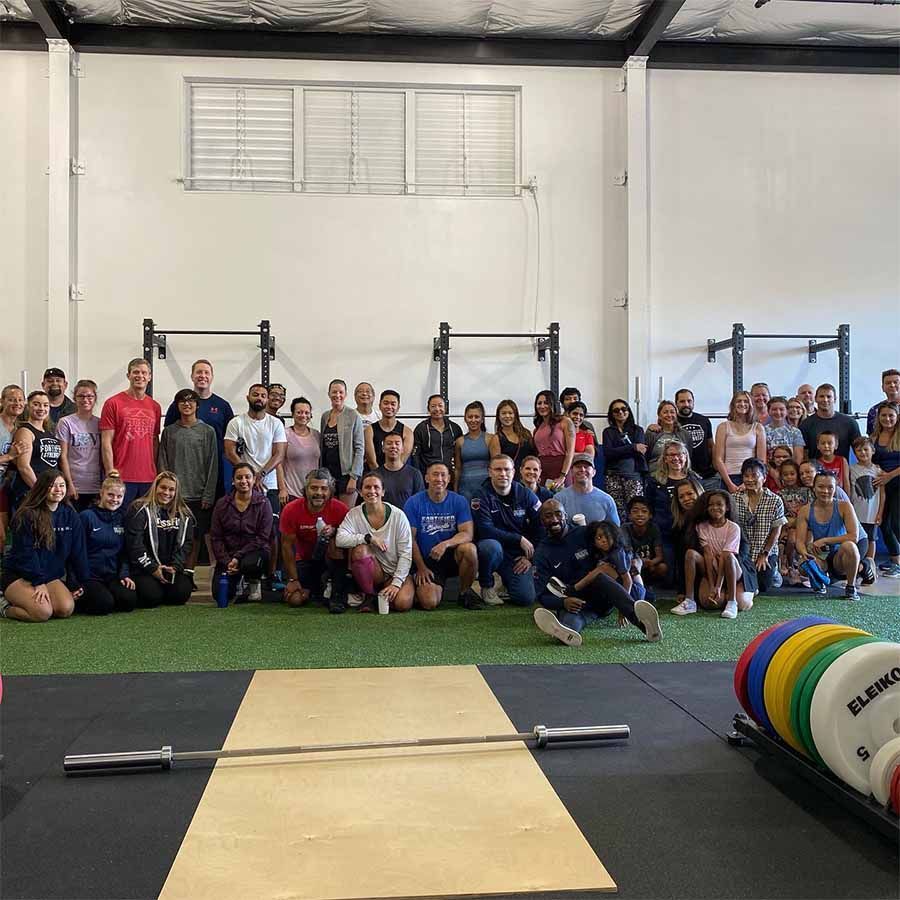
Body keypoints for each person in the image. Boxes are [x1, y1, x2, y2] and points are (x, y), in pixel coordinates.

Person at [531, 500, 661, 647]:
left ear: (565, 516)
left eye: (558, 514)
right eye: (548, 516)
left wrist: (636, 561)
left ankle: (644, 624)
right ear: (542, 521)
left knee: (601, 577)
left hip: (606, 592)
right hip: (576, 600)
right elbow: (541, 595)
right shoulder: (542, 553)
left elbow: (618, 545)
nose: (554, 519)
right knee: (570, 622)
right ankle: (563, 631)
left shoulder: (584, 533)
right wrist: (563, 602)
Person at [0, 470, 87, 622]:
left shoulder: (71, 515)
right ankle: (4, 605)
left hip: (49, 575)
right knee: (42, 612)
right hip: (21, 574)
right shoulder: (26, 515)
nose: (58, 490)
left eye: (62, 485)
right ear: (41, 488)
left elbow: (78, 552)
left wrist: (79, 582)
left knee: (65, 608)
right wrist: (38, 582)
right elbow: (25, 553)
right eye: (52, 486)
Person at [225, 384, 287, 585]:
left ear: (267, 400)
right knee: (241, 529)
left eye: (263, 395)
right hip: (243, 484)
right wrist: (249, 475)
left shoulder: (275, 423)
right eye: (255, 394)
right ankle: (242, 571)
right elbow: (230, 451)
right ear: (248, 397)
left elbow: (279, 454)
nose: (259, 398)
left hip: (268, 484)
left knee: (273, 530)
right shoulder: (237, 423)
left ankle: (272, 573)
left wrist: (261, 474)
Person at [158, 389, 219, 580]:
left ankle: (189, 574)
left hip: (199, 495)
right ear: (177, 406)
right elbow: (163, 462)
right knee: (172, 536)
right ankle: (170, 572)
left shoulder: (207, 431)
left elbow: (213, 465)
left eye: (191, 401)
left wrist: (208, 494)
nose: (187, 405)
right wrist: (166, 493)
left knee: (194, 537)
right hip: (175, 496)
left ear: (197, 406)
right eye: (182, 402)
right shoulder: (169, 432)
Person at [404, 461, 480, 610]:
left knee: (469, 549)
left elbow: (467, 533)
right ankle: (416, 586)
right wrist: (421, 567)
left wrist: (445, 544)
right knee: (429, 602)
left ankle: (464, 593)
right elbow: (409, 539)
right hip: (426, 561)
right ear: (426, 478)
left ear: (449, 478)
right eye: (435, 474)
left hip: (451, 557)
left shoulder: (459, 501)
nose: (439, 479)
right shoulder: (413, 502)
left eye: (443, 475)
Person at [336, 471, 414, 613]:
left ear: (383, 491)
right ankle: (369, 595)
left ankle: (380, 593)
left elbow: (406, 553)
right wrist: (367, 538)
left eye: (376, 487)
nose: (372, 491)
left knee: (403, 604)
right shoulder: (354, 514)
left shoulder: (398, 516)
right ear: (360, 492)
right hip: (375, 571)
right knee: (360, 550)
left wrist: (396, 584)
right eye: (367, 487)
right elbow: (340, 539)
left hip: (394, 571)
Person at [472, 454, 542, 607]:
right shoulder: (480, 496)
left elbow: (541, 527)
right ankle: (487, 585)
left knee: (525, 598)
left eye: (506, 470)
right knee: (490, 546)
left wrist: (529, 558)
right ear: (490, 472)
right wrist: (519, 539)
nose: (503, 474)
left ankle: (506, 582)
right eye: (498, 469)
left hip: (517, 556)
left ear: (514, 472)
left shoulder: (526, 494)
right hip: (494, 550)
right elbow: (485, 530)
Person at [163, 359, 235, 498]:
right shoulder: (178, 405)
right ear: (192, 376)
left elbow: (230, 440)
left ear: (212, 377)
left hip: (215, 468)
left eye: (206, 372)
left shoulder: (223, 406)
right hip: (183, 469)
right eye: (199, 372)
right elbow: (168, 437)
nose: (202, 376)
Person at [281, 469, 349, 612]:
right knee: (295, 600)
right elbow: (286, 547)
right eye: (314, 488)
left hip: (331, 562)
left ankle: (337, 594)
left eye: (324, 488)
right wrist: (293, 579)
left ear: (330, 491)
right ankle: (316, 591)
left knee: (334, 542)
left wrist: (335, 532)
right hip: (305, 561)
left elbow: (350, 541)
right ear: (305, 490)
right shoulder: (291, 510)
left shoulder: (341, 509)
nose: (319, 493)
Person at [125, 471, 194, 607]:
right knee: (151, 597)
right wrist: (153, 568)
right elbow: (135, 545)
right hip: (145, 569)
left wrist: (175, 566)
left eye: (171, 489)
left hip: (170, 568)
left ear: (176, 492)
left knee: (181, 594)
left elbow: (187, 544)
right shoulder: (139, 509)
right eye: (163, 487)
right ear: (155, 487)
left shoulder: (184, 514)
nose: (166, 492)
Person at [99, 358, 162, 508]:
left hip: (148, 477)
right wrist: (109, 471)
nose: (140, 376)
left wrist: (154, 470)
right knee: (121, 522)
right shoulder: (113, 403)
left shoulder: (155, 407)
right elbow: (106, 441)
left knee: (143, 523)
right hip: (121, 475)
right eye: (136, 372)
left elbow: (154, 441)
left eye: (144, 373)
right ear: (128, 375)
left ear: (149, 377)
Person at [210, 462, 274, 605]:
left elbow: (263, 538)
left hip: (254, 553)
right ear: (233, 480)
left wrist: (238, 557)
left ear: (254, 479)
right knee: (219, 594)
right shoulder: (222, 504)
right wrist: (227, 561)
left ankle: (253, 582)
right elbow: (216, 537)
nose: (243, 481)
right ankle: (237, 580)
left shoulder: (264, 503)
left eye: (247, 477)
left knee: (250, 564)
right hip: (229, 557)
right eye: (239, 478)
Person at [676, 490, 746, 618]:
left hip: (730, 569)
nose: (715, 508)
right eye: (711, 505)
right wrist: (712, 584)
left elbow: (725, 556)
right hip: (713, 567)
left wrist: (718, 586)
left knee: (728, 556)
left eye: (719, 504)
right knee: (690, 554)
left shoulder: (733, 527)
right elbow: (707, 554)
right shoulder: (702, 526)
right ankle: (690, 601)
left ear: (727, 507)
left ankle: (732, 602)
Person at [795, 471, 862, 600]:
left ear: (835, 488)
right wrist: (804, 553)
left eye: (830, 487)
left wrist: (825, 540)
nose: (825, 491)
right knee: (803, 563)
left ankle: (851, 587)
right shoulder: (805, 510)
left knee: (850, 546)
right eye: (821, 487)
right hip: (821, 557)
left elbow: (854, 537)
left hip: (841, 558)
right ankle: (819, 582)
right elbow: (799, 541)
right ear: (814, 488)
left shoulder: (844, 506)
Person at [77, 476, 137, 615]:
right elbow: (77, 551)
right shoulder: (86, 517)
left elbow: (124, 552)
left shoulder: (122, 518)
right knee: (103, 605)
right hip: (89, 577)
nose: (114, 499)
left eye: (119, 496)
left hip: (112, 576)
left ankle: (106, 595)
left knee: (129, 601)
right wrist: (76, 582)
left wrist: (124, 574)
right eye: (110, 494)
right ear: (101, 493)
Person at [731, 458, 786, 594]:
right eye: (746, 476)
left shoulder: (775, 500)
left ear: (764, 478)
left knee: (763, 587)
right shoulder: (734, 498)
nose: (750, 480)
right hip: (743, 552)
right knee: (745, 583)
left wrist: (765, 554)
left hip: (765, 550)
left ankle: (774, 571)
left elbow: (776, 531)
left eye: (754, 476)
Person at [645, 441, 702, 562]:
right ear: (665, 459)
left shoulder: (695, 479)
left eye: (679, 454)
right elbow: (648, 507)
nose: (675, 458)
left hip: (690, 534)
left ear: (685, 457)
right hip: (664, 535)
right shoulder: (655, 481)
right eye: (671, 455)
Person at [9, 391, 62, 510]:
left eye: (45, 405)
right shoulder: (25, 431)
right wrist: (40, 492)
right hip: (30, 492)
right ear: (28, 406)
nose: (41, 408)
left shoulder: (49, 433)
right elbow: (23, 467)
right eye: (36, 404)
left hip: (49, 492)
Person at [57, 379, 102, 511]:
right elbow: (63, 456)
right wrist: (69, 484)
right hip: (75, 484)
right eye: (81, 396)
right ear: (74, 399)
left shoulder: (100, 423)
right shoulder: (65, 423)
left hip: (96, 485)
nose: (85, 400)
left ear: (95, 399)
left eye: (89, 396)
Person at [319, 379, 364, 506]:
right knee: (329, 513)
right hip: (328, 474)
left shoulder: (353, 415)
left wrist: (354, 477)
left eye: (340, 392)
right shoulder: (325, 416)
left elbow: (360, 448)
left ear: (345, 394)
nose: (337, 395)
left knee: (345, 514)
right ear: (329, 394)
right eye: (334, 392)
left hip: (347, 475)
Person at [602, 399, 648, 518]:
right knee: (618, 511)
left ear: (628, 411)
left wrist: (620, 450)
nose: (620, 412)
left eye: (624, 409)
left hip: (634, 475)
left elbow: (640, 452)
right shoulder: (608, 432)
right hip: (613, 476)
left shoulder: (638, 430)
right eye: (616, 410)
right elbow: (608, 453)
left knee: (636, 510)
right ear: (611, 414)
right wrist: (633, 447)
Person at [714, 391, 766, 493]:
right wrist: (729, 484)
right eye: (739, 401)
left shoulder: (758, 427)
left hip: (752, 477)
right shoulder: (723, 427)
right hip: (728, 477)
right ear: (733, 405)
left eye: (746, 401)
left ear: (751, 405)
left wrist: (746, 483)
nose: (742, 404)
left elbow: (761, 460)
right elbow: (718, 459)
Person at [848, 436, 884, 586]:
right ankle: (856, 568)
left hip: (872, 513)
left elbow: (882, 494)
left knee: (871, 539)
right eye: (858, 450)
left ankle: (870, 566)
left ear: (872, 451)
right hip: (856, 513)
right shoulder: (852, 469)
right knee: (856, 540)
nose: (862, 452)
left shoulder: (878, 470)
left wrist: (880, 512)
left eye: (865, 449)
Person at [871, 401, 900, 577]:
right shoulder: (874, 438)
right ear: (878, 418)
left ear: (897, 417)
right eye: (884, 415)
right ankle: (896, 561)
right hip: (882, 486)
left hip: (898, 482)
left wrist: (890, 475)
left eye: (891, 415)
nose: (887, 419)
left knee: (897, 522)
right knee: (883, 524)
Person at [586, 520, 645, 603]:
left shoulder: (617, 553)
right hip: (628, 588)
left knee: (604, 569)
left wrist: (625, 604)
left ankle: (574, 589)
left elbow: (627, 580)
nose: (604, 540)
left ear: (614, 536)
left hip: (634, 592)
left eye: (607, 537)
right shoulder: (601, 553)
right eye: (599, 538)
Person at [799, 383, 860, 462]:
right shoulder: (806, 424)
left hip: (841, 471)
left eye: (829, 396)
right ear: (815, 399)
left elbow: (860, 450)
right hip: (814, 472)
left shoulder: (850, 423)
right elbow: (804, 453)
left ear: (834, 399)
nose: (825, 400)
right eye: (821, 396)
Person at [554, 454, 619, 526]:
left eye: (586, 467)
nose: (582, 469)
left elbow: (615, 530)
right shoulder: (559, 499)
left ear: (594, 472)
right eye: (578, 467)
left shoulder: (607, 500)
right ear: (571, 472)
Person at [532, 390, 575, 490]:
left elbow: (570, 452)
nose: (542, 406)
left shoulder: (565, 422)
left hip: (561, 467)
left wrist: (563, 475)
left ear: (553, 404)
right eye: (539, 403)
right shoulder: (537, 428)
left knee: (561, 501)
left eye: (546, 403)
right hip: (542, 470)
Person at [670, 479, 703, 605]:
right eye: (681, 497)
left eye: (690, 494)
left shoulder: (712, 515)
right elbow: (680, 559)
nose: (686, 499)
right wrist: (681, 590)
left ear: (698, 492)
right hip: (694, 572)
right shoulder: (678, 525)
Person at [0, 385, 27, 543]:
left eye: (20, 400)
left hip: (6, 487)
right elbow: (11, 456)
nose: (17, 403)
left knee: (5, 536)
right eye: (11, 400)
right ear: (2, 401)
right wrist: (9, 456)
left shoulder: (20, 428)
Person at [282, 397, 321, 502]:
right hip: (291, 491)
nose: (303, 415)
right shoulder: (285, 433)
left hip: (313, 493)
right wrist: (282, 489)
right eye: (299, 412)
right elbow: (278, 464)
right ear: (293, 414)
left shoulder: (316, 434)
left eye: (306, 412)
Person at [412, 394, 462, 475]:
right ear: (428, 409)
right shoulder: (421, 429)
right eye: (433, 406)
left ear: (445, 408)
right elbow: (415, 456)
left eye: (440, 406)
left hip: (449, 475)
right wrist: (418, 475)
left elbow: (459, 454)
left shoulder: (455, 428)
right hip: (428, 476)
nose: (437, 409)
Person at [779, 460, 811, 585]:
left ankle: (806, 570)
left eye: (792, 473)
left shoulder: (807, 491)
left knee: (807, 541)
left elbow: (810, 512)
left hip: (806, 526)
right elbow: (781, 517)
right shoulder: (779, 494)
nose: (789, 477)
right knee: (791, 539)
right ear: (781, 476)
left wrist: (797, 521)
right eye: (785, 474)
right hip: (789, 527)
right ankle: (792, 567)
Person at [364, 390, 413, 470]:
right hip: (375, 475)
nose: (389, 407)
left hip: (398, 474)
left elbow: (402, 461)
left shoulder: (407, 432)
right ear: (380, 406)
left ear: (398, 407)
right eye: (386, 403)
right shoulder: (369, 430)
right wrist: (380, 479)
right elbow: (372, 462)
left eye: (393, 404)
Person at [623, 496, 666, 585]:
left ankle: (652, 585)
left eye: (644, 511)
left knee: (662, 567)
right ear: (629, 515)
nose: (640, 514)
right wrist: (640, 562)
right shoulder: (625, 528)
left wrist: (650, 562)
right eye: (635, 511)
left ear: (650, 515)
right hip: (633, 564)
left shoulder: (654, 528)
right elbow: (627, 553)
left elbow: (659, 556)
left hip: (649, 565)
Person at [376, 432, 424, 509]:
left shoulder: (414, 474)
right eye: (389, 443)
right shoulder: (375, 475)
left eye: (397, 443)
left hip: (408, 519)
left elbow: (420, 503)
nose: (393, 446)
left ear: (402, 449)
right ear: (383, 449)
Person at [454, 401, 491, 501]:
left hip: (487, 488)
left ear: (482, 419)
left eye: (477, 417)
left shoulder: (490, 439)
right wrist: (455, 490)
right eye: (470, 417)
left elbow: (497, 465)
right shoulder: (460, 441)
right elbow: (458, 469)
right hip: (465, 488)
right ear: (465, 419)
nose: (473, 420)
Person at [645, 401, 691, 480]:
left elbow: (688, 457)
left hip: (679, 477)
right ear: (659, 415)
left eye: (672, 412)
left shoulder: (684, 434)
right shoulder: (652, 433)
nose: (669, 415)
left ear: (676, 414)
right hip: (655, 477)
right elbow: (645, 457)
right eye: (665, 412)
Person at [488, 400, 535, 467]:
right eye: (503, 413)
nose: (507, 416)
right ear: (498, 416)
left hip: (528, 475)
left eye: (510, 413)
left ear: (515, 415)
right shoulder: (496, 439)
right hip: (509, 476)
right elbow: (496, 466)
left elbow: (533, 457)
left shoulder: (526, 434)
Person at [764, 396, 805, 466]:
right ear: (768, 411)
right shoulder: (763, 431)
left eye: (781, 409)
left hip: (790, 472)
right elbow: (762, 457)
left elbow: (799, 458)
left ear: (786, 411)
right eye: (774, 409)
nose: (778, 412)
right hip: (769, 471)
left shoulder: (795, 432)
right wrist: (774, 473)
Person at [867, 369, 900, 435]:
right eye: (888, 383)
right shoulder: (874, 411)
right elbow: (872, 436)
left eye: (896, 382)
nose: (892, 385)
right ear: (883, 388)